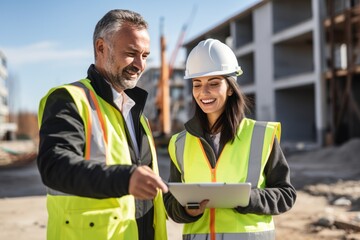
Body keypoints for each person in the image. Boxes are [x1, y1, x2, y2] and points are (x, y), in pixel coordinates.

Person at [37, 9, 168, 240]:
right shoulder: (69, 99)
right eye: (131, 53)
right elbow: (54, 166)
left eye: (145, 56)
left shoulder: (137, 114)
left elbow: (142, 193)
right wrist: (125, 179)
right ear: (101, 47)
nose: (140, 65)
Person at [163, 38, 297, 239]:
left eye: (214, 83)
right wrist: (186, 211)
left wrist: (248, 198)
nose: (203, 92)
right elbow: (169, 203)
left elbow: (286, 195)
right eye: (197, 84)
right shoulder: (180, 143)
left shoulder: (261, 135)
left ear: (231, 87)